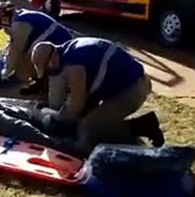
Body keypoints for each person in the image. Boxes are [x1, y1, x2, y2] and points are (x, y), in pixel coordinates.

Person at [30, 37, 164, 153]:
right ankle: (128, 130)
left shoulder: (73, 65)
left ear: (51, 60)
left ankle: (144, 126)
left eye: (48, 70)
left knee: (88, 129)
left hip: (132, 90)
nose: (51, 74)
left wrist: (52, 117)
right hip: (130, 84)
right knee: (87, 120)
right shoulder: (70, 48)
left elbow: (76, 105)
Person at [0, 1, 75, 87]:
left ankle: (43, 82)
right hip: (62, 48)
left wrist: (4, 73)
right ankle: (42, 80)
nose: (3, 29)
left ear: (4, 17)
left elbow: (16, 51)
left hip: (62, 54)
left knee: (22, 66)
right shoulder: (23, 16)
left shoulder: (20, 23)